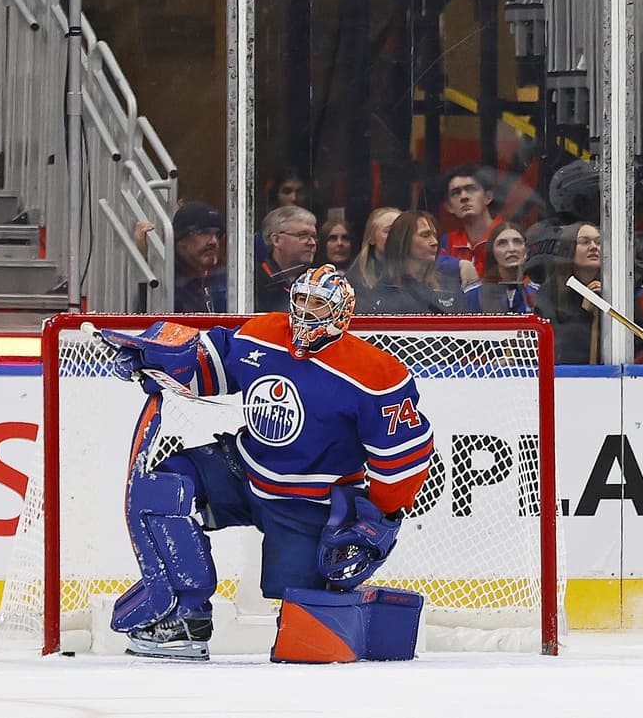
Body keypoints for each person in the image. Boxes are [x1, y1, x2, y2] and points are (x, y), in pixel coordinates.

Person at [98, 266, 433, 659]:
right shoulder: (264, 333)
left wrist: (383, 513)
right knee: (162, 489)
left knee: (310, 643)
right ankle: (184, 618)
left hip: (309, 503)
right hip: (243, 471)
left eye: (318, 304)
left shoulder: (376, 374)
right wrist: (153, 359)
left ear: (342, 312)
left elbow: (405, 455)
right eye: (301, 300)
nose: (306, 312)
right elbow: (211, 364)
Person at [357, 211, 470, 315]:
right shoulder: (380, 294)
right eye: (425, 236)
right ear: (403, 241)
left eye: (435, 236)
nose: (435, 242)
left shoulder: (449, 286)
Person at [535, 222, 606, 363]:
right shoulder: (550, 292)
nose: (593, 247)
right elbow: (559, 348)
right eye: (585, 242)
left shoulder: (619, 290)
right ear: (568, 249)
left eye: (598, 242)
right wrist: (584, 312)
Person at [465, 221, 539, 313]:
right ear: (492, 252)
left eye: (517, 242)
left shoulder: (540, 292)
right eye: (502, 243)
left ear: (526, 249)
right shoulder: (472, 295)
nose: (511, 249)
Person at [257, 206, 318, 313]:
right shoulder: (255, 282)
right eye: (303, 235)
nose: (312, 243)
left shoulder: (317, 281)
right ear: (276, 240)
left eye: (314, 236)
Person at [442, 165, 499, 275]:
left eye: (471, 189)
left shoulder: (510, 236)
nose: (464, 197)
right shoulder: (446, 242)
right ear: (449, 207)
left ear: (488, 197)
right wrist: (459, 264)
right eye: (456, 193)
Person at [347, 207, 401, 295]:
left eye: (400, 231)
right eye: (388, 231)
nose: (395, 236)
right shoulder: (353, 281)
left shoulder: (418, 275)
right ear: (371, 238)